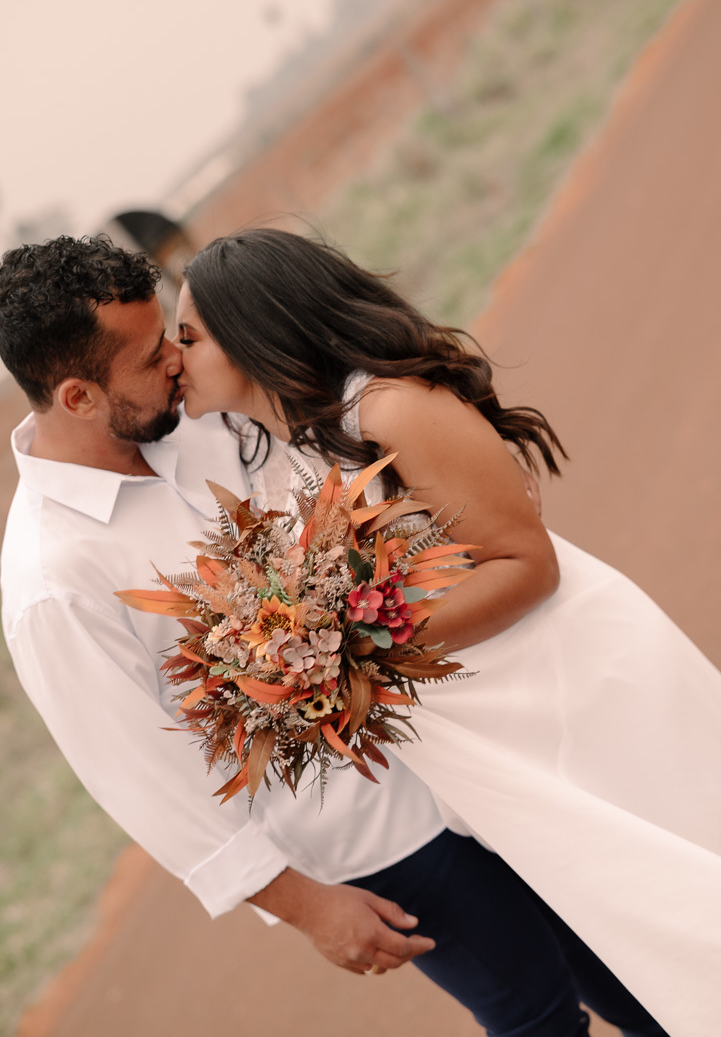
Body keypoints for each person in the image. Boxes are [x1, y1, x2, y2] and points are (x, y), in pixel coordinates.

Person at [0, 235, 673, 1037]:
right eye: (152, 356)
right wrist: (305, 906)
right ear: (78, 397)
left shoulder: (204, 417)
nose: (177, 359)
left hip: (477, 751)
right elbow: (138, 777)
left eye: (173, 336)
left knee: (640, 972)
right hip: (377, 834)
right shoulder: (53, 581)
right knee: (534, 1012)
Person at [173, 226, 721, 1037]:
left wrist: (346, 648)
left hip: (574, 695)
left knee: (685, 891)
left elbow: (525, 564)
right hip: (486, 738)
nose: (174, 356)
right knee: (636, 933)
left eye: (189, 336)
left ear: (252, 330)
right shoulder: (275, 452)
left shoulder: (390, 407)